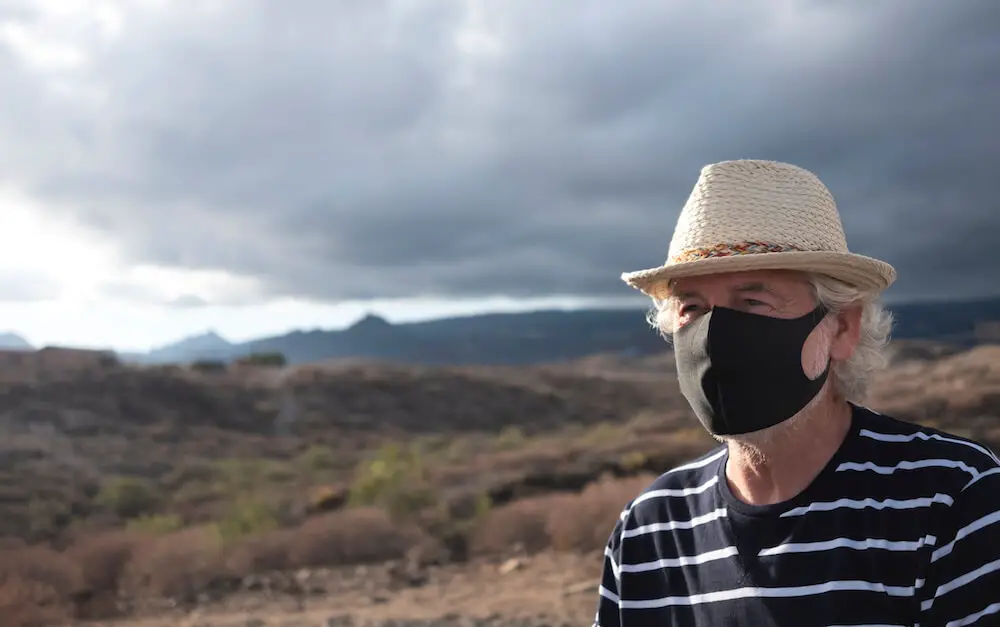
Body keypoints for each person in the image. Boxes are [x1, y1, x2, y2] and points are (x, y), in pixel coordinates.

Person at [596, 160, 1000, 626]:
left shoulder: (952, 497)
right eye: (692, 307)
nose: (714, 335)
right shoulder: (649, 529)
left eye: (753, 302)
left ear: (842, 328)